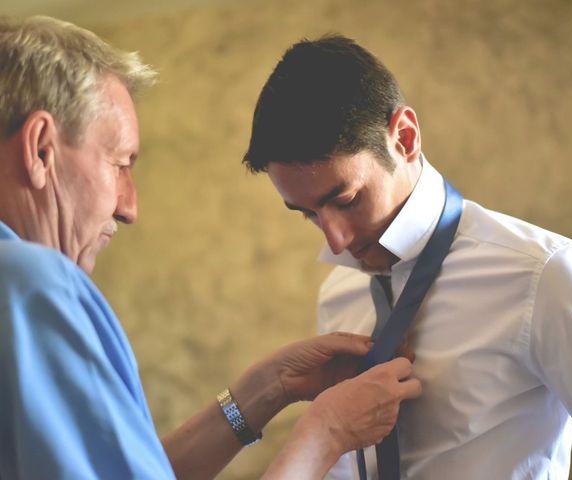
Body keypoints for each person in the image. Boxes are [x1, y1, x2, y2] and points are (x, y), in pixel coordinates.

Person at [0, 16, 423, 480]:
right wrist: (326, 433)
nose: (130, 207)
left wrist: (267, 390)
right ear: (41, 150)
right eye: (121, 164)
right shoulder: (27, 283)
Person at [242, 34, 572, 479]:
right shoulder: (340, 289)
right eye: (308, 215)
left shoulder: (540, 274)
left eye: (347, 199)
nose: (334, 241)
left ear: (405, 138)